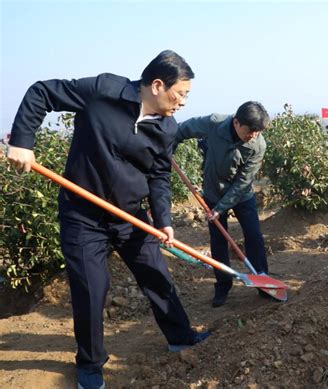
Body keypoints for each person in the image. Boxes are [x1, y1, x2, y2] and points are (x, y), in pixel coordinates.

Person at [7, 50, 210, 389]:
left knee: (157, 275)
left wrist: (164, 221)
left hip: (130, 216)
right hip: (82, 215)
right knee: (91, 290)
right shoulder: (103, 91)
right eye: (181, 94)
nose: (183, 103)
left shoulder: (167, 128)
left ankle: (181, 336)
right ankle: (89, 365)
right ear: (157, 85)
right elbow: (41, 91)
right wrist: (23, 142)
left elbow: (159, 176)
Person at [174, 101, 270, 307]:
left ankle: (263, 281)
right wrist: (170, 146)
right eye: (251, 130)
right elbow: (183, 129)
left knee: (253, 235)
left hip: (241, 195)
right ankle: (223, 286)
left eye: (258, 132)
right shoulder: (214, 123)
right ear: (236, 122)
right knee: (218, 240)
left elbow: (243, 181)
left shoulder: (258, 145)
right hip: (213, 192)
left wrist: (220, 209)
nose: (253, 135)